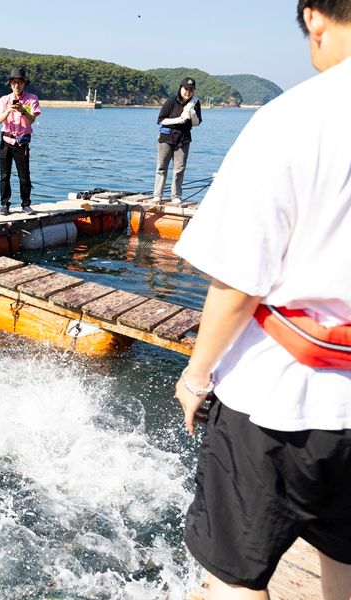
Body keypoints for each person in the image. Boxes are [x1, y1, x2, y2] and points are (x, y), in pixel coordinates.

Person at [173, 2, 351, 598]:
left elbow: (240, 281)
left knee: (233, 577)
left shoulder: (297, 117)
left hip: (283, 398)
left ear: (316, 17)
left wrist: (197, 376)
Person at [0, 67, 41, 216]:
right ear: (10, 84)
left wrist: (22, 110)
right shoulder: (4, 100)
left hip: (22, 143)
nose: (17, 86)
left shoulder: (32, 98)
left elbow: (32, 119)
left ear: (24, 84)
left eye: (20, 83)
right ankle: (4, 204)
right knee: (4, 175)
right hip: (6, 141)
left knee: (24, 175)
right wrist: (9, 110)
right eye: (14, 83)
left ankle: (26, 204)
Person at [153, 77, 202, 203]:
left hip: (184, 139)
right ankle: (158, 194)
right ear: (181, 88)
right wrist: (178, 120)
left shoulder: (195, 103)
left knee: (179, 169)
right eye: (186, 89)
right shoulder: (171, 101)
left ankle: (176, 196)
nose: (188, 92)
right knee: (162, 167)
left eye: (191, 90)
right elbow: (161, 120)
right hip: (167, 137)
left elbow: (197, 123)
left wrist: (193, 114)